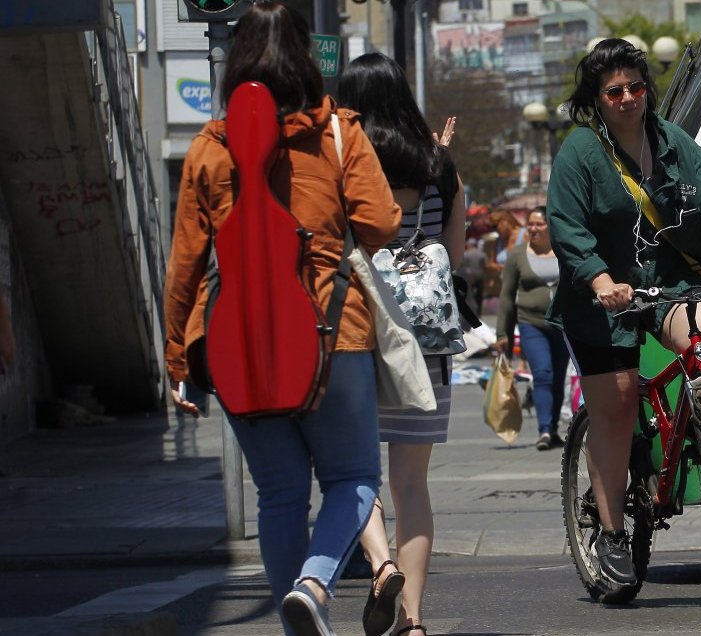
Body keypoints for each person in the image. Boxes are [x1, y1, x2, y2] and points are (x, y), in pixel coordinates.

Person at [163, 4, 402, 636]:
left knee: (279, 494)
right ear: (304, 57)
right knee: (352, 477)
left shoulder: (207, 150)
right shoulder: (338, 134)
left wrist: (176, 360)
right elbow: (380, 225)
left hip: (234, 340)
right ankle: (316, 582)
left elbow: (185, 264)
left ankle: (298, 620)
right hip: (333, 331)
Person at [545, 38, 701, 588]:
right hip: (599, 294)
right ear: (597, 99)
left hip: (663, 283)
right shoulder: (581, 151)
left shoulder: (672, 141)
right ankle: (611, 531)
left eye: (635, 87)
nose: (627, 97)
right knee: (620, 400)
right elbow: (566, 223)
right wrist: (600, 278)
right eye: (614, 91)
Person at [339, 51, 467, 636]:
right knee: (412, 484)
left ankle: (379, 561)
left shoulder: (344, 160)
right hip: (428, 344)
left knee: (353, 472)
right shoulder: (440, 166)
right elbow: (455, 254)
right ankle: (413, 620)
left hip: (359, 335)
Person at [494, 207, 568, 451]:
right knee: (543, 374)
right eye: (531, 224)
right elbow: (506, 296)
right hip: (530, 324)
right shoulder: (517, 255)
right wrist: (502, 333)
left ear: (550, 226)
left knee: (558, 378)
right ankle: (544, 430)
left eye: (540, 224)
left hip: (563, 324)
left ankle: (554, 428)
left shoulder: (564, 251)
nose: (534, 229)